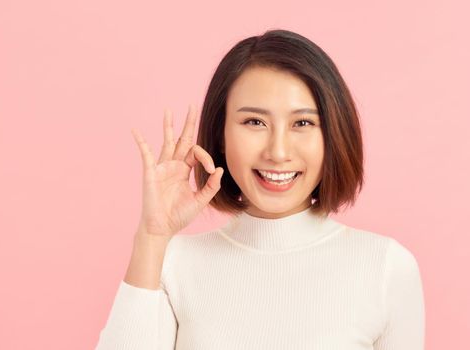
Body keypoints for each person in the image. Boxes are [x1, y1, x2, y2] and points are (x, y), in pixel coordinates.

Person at [95, 29, 425, 350]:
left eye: (303, 123)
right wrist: (151, 239)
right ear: (220, 133)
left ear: (334, 136)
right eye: (254, 122)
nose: (278, 152)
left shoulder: (386, 267)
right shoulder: (173, 265)